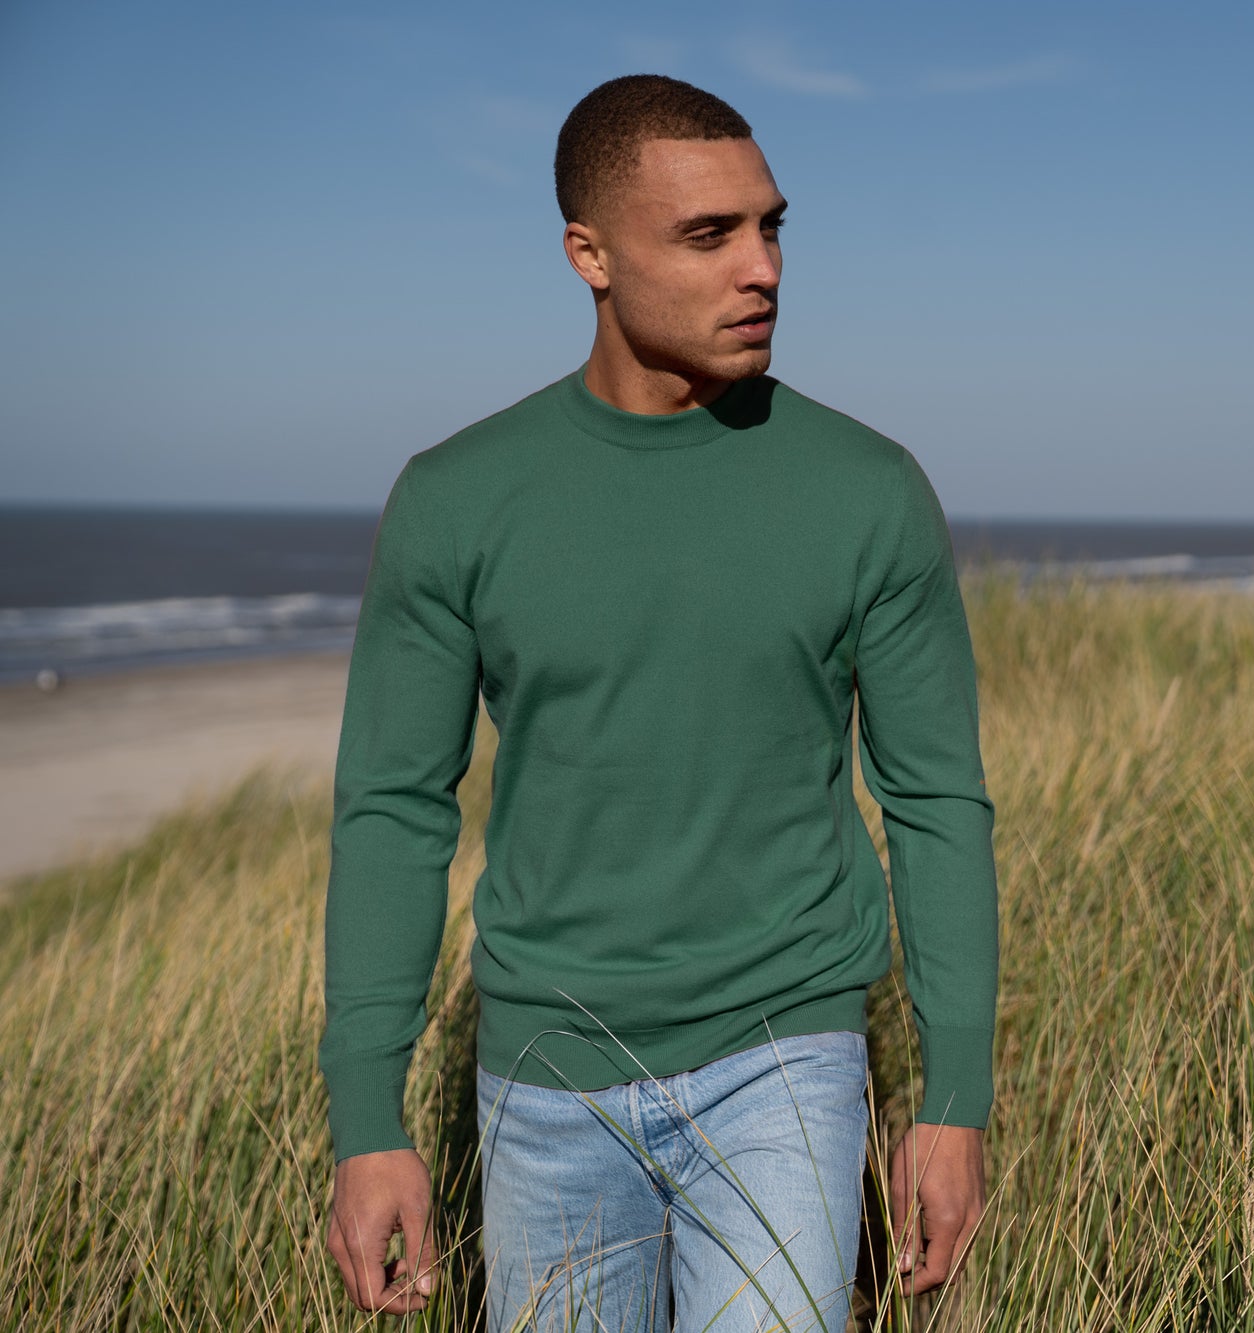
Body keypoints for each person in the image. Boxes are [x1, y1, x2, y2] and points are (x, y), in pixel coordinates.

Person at [318, 73, 1000, 1332]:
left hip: (785, 1057)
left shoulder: (867, 491)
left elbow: (936, 801)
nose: (763, 270)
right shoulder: (459, 501)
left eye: (771, 227)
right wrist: (368, 1117)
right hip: (543, 1075)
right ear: (589, 255)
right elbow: (392, 810)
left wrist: (952, 1098)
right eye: (708, 235)